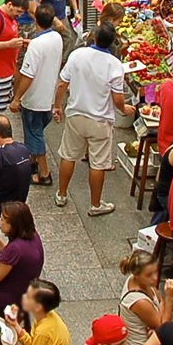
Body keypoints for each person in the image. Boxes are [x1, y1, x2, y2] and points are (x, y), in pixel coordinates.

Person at [53, 24, 133, 217]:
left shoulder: (78, 55)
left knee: (68, 155)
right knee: (98, 164)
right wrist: (124, 109)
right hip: (100, 120)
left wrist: (57, 106)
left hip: (76, 114)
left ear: (95, 38)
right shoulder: (114, 65)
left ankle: (62, 194)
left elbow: (63, 83)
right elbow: (117, 99)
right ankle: (95, 204)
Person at [9, 4, 62, 186]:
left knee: (35, 133)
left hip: (34, 99)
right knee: (35, 131)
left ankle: (44, 173)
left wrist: (17, 98)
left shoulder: (36, 47)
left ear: (35, 19)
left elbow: (28, 76)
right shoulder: (56, 38)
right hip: (49, 95)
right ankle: (31, 163)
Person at [0, 199, 43, 311]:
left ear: (12, 225)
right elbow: (11, 258)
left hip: (9, 295)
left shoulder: (15, 248)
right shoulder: (32, 234)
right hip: (24, 287)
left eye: (2, 219)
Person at [14, 278, 70, 345]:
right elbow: (33, 344)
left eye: (28, 297)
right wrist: (16, 325)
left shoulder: (44, 332)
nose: (24, 297)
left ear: (38, 306)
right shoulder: (45, 315)